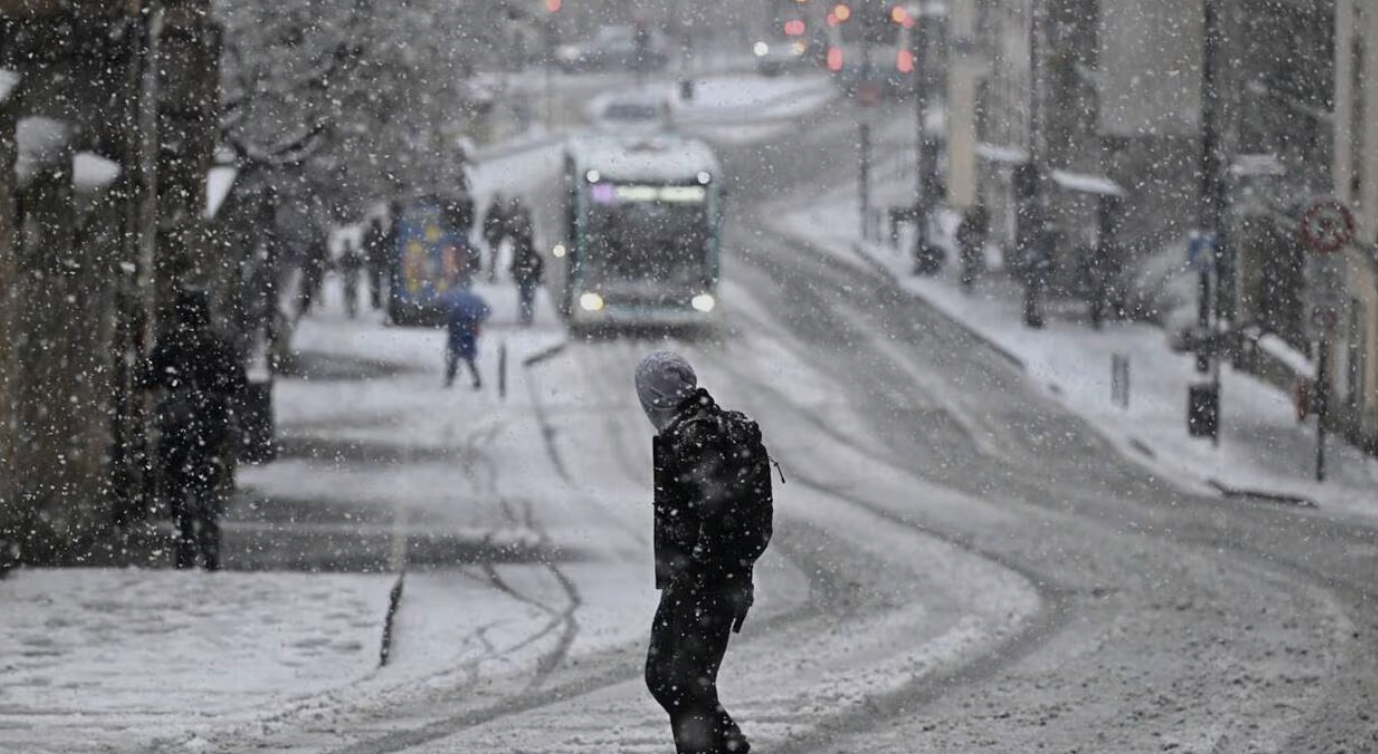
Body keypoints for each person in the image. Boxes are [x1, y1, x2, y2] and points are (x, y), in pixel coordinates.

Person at [635, 351, 774, 754]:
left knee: (678, 681)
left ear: (654, 396)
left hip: (706, 582)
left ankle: (725, 748)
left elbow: (719, 512)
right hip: (712, 580)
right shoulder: (702, 429)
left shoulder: (694, 438)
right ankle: (729, 747)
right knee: (675, 679)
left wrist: (697, 569)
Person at [141, 291, 247, 571]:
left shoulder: (170, 343)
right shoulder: (218, 344)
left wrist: (172, 383)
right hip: (212, 426)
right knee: (206, 484)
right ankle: (209, 543)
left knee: (177, 487)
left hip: (176, 425)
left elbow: (146, 378)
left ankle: (185, 546)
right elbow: (238, 382)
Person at [443, 280, 491, 390]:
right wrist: (477, 320)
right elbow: (486, 311)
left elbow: (445, 311)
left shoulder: (453, 299)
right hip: (468, 334)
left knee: (454, 357)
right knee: (469, 359)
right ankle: (476, 380)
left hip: (456, 333)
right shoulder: (474, 300)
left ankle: (450, 380)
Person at [508, 207, 543, 327]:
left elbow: (516, 259)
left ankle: (525, 315)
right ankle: (527, 315)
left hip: (524, 272)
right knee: (527, 295)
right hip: (528, 272)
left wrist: (514, 269)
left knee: (524, 295)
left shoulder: (520, 246)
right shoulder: (530, 248)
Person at [297, 235, 330, 317]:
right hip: (314, 272)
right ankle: (310, 306)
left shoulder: (311, 250)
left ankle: (307, 307)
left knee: (308, 290)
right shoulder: (319, 250)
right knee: (311, 289)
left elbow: (305, 261)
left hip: (312, 272)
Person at [481, 192, 509, 283]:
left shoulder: (492, 211)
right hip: (496, 237)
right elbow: (504, 225)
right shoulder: (501, 212)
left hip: (493, 236)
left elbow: (486, 224)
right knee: (495, 255)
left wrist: (485, 234)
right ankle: (492, 273)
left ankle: (491, 273)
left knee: (493, 255)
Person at [338, 235, 365, 319]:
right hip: (351, 275)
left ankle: (350, 307)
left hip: (349, 275)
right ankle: (352, 307)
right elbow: (360, 264)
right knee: (352, 292)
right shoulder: (352, 255)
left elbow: (339, 265)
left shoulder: (344, 255)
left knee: (349, 292)